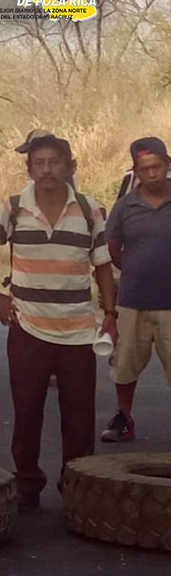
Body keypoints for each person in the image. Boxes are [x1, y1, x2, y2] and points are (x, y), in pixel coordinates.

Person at [0, 133, 116, 511]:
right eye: (39, 163)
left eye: (54, 162)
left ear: (70, 167)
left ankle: (77, 485)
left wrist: (110, 315)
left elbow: (102, 266)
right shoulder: (14, 208)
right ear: (29, 169)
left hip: (79, 329)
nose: (47, 170)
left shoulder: (89, 209)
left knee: (80, 417)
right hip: (28, 327)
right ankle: (28, 483)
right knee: (27, 409)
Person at [99, 137, 171, 443]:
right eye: (144, 169)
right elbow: (112, 247)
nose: (152, 174)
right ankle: (123, 419)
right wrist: (134, 269)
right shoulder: (125, 206)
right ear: (135, 171)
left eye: (157, 167)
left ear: (168, 165)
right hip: (133, 301)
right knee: (125, 365)